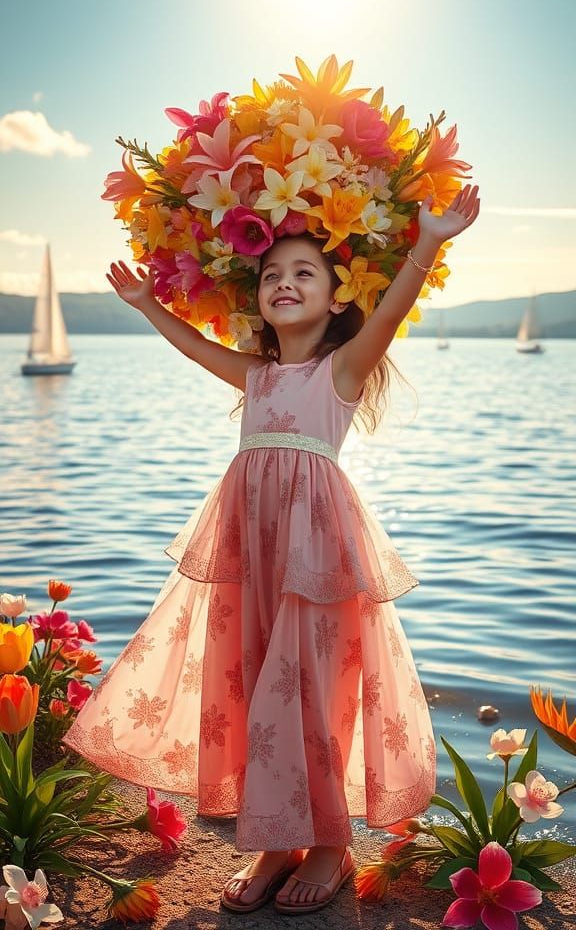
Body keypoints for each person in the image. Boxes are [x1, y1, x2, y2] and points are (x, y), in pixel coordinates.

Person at [63, 184, 480, 915]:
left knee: (310, 689)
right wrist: (145, 306)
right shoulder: (255, 376)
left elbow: (391, 311)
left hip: (315, 552)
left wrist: (431, 242)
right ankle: (277, 840)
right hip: (249, 547)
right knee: (254, 682)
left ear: (335, 296)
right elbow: (194, 346)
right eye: (271, 274)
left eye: (304, 273)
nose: (284, 282)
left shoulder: (339, 372)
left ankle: (327, 845)